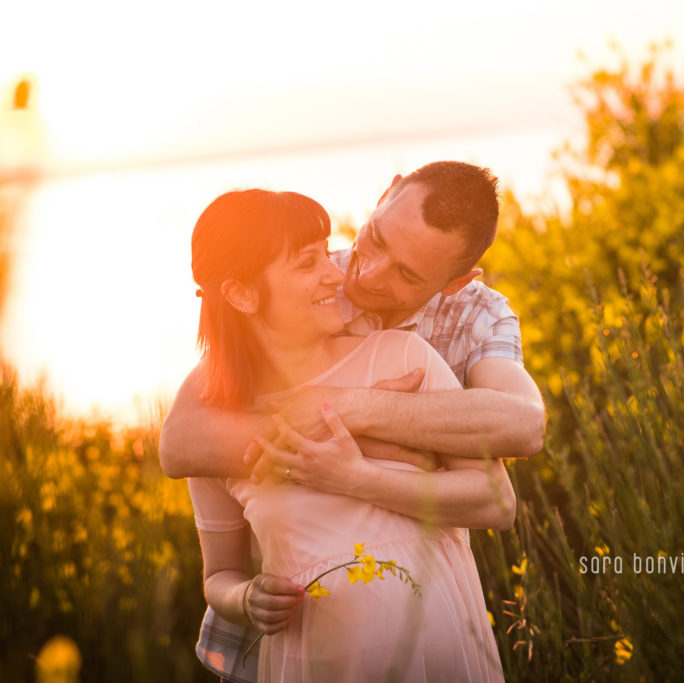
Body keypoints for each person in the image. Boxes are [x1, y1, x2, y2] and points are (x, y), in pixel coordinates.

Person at [161, 161, 544, 680]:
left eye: (407, 273)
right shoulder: (306, 274)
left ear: (455, 282)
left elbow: (522, 426)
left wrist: (353, 410)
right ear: (386, 194)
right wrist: (353, 443)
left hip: (429, 634)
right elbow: (182, 441)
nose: (359, 274)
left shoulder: (465, 322)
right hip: (291, 650)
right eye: (375, 240)